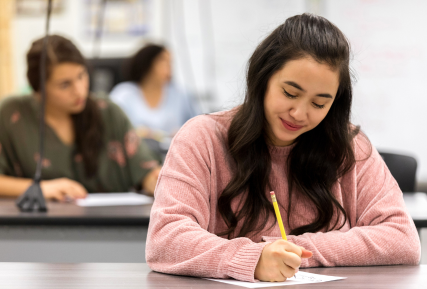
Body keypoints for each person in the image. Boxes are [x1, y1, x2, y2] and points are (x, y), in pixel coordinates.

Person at [145, 14, 420, 282]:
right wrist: (253, 258)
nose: (299, 113)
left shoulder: (349, 146)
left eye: (319, 103)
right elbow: (165, 238)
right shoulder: (202, 138)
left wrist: (292, 251)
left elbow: (402, 238)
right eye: (290, 93)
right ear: (263, 78)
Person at [0, 35, 161, 201]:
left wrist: (154, 181)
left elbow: (146, 171)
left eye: (81, 76)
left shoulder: (107, 112)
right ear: (38, 88)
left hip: (113, 223)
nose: (79, 91)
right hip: (34, 226)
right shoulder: (11, 115)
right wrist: (39, 189)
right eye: (65, 84)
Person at [109, 44, 199, 139]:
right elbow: (112, 127)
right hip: (135, 152)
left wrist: (183, 133)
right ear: (147, 64)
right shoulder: (123, 94)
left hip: (173, 151)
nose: (169, 67)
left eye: (170, 62)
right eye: (164, 61)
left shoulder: (181, 94)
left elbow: (198, 127)